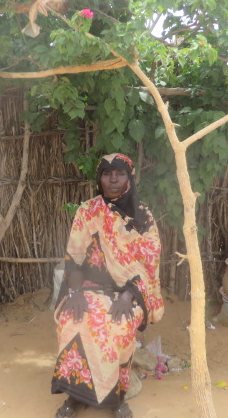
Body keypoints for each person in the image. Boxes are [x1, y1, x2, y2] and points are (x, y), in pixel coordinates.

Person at [51, 153, 164, 418]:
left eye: (120, 174)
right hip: (88, 287)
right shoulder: (88, 211)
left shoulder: (142, 215)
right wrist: (76, 292)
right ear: (99, 179)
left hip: (129, 292)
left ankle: (116, 398)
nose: (113, 179)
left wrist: (127, 297)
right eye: (107, 174)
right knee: (72, 320)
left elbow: (150, 264)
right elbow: (74, 257)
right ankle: (75, 395)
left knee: (119, 325)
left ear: (129, 178)